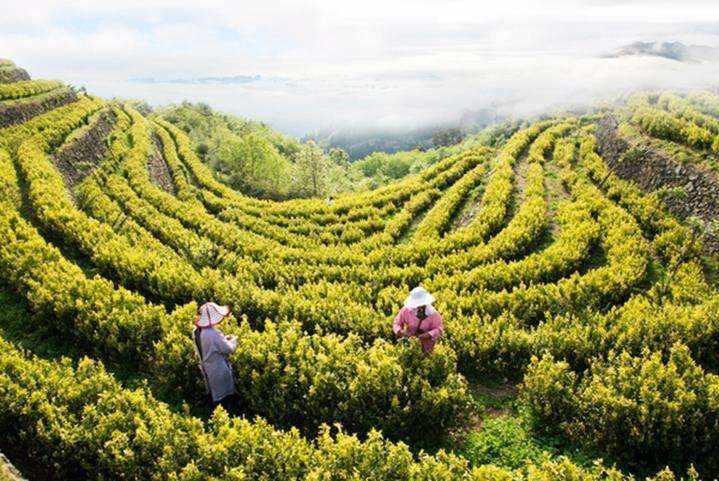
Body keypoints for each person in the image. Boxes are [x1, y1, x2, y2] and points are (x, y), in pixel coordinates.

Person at [192, 302, 238, 408]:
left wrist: (223, 339)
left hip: (207, 367)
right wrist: (234, 339)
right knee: (224, 398)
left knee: (214, 394)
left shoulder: (196, 331)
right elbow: (229, 349)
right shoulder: (213, 333)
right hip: (218, 368)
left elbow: (209, 345)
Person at [393, 286, 444, 354]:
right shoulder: (406, 310)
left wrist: (426, 335)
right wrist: (402, 332)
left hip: (427, 346)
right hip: (409, 344)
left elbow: (439, 330)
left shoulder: (433, 314)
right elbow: (397, 323)